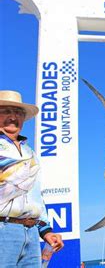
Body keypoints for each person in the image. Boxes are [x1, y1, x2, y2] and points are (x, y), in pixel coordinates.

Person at [0, 90, 64, 266]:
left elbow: (35, 196)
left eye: (18, 112)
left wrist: (46, 231)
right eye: (6, 111)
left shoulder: (30, 153)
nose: (13, 116)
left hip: (31, 232)